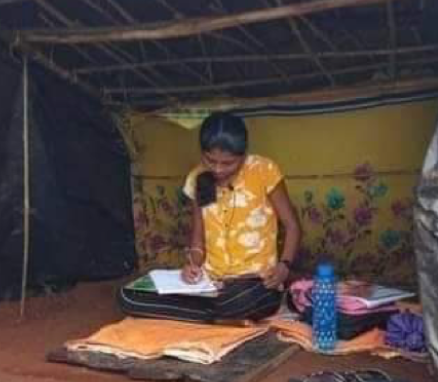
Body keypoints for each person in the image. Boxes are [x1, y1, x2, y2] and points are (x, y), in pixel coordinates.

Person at [120, 111, 302, 323]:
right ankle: (216, 315)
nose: (218, 169)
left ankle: (202, 313)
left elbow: (292, 226)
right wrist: (193, 265)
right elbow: (198, 240)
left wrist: (284, 267)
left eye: (228, 163)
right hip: (211, 284)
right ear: (202, 153)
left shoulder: (264, 171)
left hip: (255, 283)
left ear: (243, 155)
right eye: (210, 160)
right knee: (127, 296)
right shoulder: (200, 179)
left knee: (239, 299)